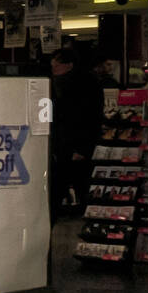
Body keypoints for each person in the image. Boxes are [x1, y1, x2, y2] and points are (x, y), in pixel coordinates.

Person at [50, 48, 103, 217]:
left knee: (75, 185)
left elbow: (89, 118)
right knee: (63, 186)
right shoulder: (59, 83)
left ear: (69, 65)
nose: (54, 70)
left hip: (74, 145)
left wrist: (82, 148)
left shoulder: (84, 85)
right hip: (63, 144)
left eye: (56, 66)